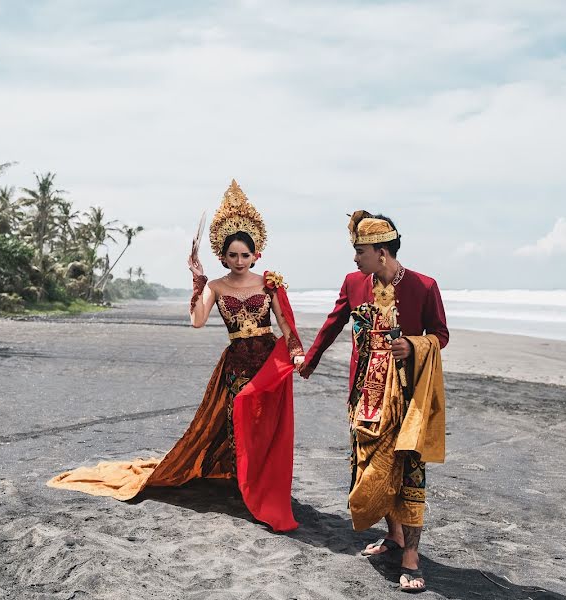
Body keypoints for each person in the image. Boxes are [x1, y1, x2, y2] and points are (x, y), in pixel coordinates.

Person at [48, 180, 305, 532]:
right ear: (223, 256)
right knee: (240, 422)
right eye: (233, 255)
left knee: (267, 427)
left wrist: (296, 354)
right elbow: (198, 322)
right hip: (236, 365)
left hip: (267, 363)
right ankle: (246, 484)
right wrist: (198, 281)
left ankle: (263, 484)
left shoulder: (269, 283)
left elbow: (287, 326)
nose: (240, 261)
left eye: (246, 255)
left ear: (255, 253)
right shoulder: (216, 286)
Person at [297, 211, 448, 593]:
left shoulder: (424, 286)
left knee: (410, 472)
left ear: (382, 252)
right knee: (372, 471)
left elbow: (441, 335)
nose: (354, 258)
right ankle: (394, 536)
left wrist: (413, 345)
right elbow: (333, 324)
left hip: (407, 400)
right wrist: (308, 363)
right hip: (363, 397)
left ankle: (411, 559)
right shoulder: (353, 283)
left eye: (359, 250)